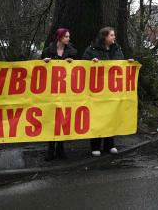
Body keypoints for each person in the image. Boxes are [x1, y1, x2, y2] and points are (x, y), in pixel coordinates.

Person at [82, 26, 125, 156]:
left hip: (112, 90)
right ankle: (95, 145)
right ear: (104, 37)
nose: (114, 37)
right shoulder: (92, 49)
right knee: (97, 117)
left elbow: (121, 63)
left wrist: (128, 64)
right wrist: (91, 62)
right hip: (97, 91)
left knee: (110, 117)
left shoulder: (117, 49)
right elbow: (83, 65)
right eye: (111, 35)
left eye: (114, 35)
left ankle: (110, 144)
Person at [42, 28, 77, 160]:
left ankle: (61, 149)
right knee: (51, 119)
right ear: (60, 37)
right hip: (51, 90)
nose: (68, 39)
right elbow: (39, 70)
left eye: (69, 36)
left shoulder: (72, 52)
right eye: (66, 36)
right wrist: (44, 62)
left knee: (63, 119)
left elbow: (78, 70)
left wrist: (71, 63)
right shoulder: (48, 51)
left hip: (66, 91)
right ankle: (51, 149)